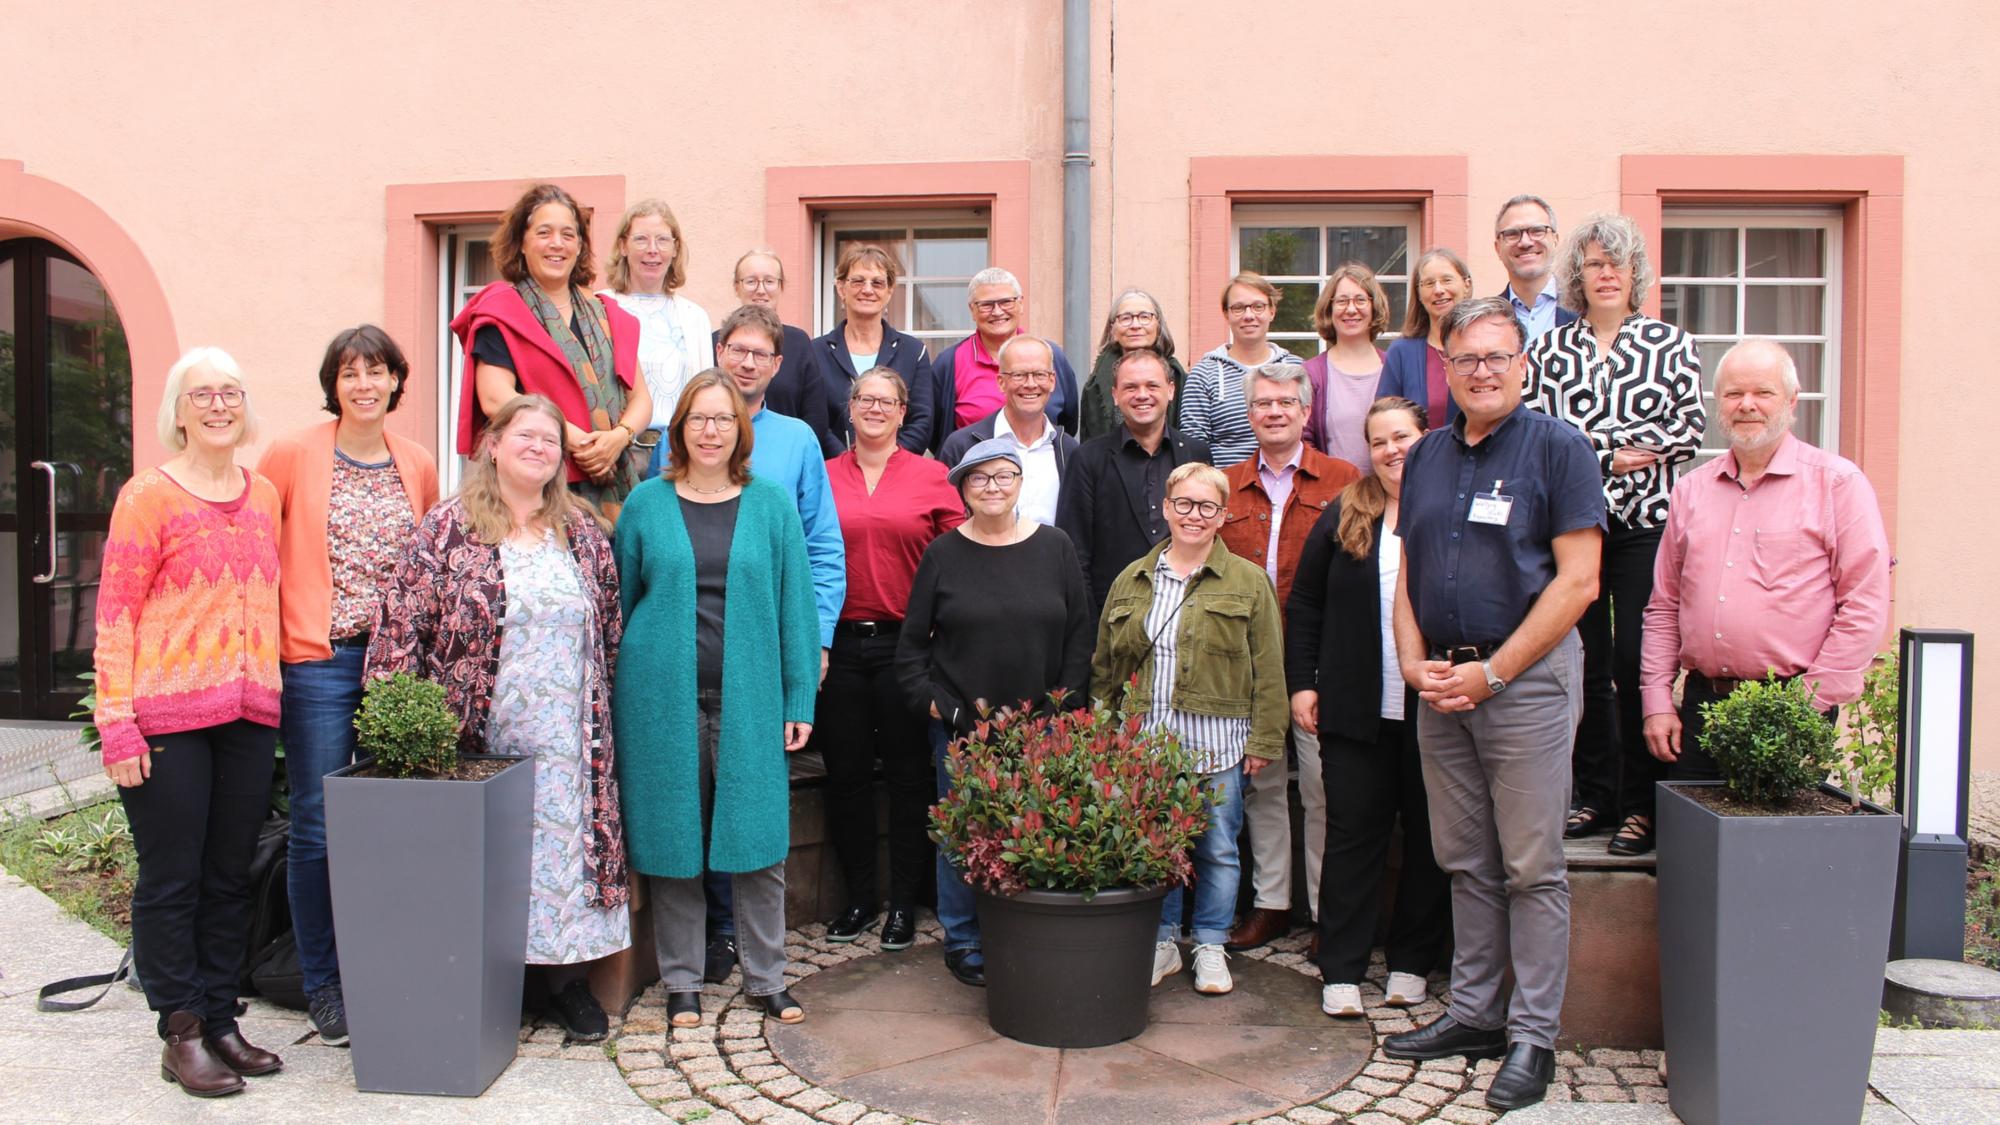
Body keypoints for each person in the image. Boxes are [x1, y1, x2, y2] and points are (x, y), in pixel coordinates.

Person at [1383, 298, 1604, 1112]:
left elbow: (1579, 582)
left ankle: (1532, 1034)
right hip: (1442, 685)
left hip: (1526, 686)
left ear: (1524, 363)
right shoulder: (1430, 455)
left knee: (1531, 866)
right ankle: (1475, 1012)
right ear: (1444, 368)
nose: (1481, 370)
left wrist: (1496, 674)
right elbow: (1406, 571)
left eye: (1496, 356)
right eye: (1466, 358)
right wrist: (1412, 661)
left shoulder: (1560, 449)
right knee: (1464, 859)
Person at [367, 395, 632, 1042]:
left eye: (550, 439)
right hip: (476, 733)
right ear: (493, 444)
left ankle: (565, 982)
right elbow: (402, 625)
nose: (539, 447)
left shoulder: (582, 531)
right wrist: (398, 718)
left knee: (558, 857)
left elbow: (612, 629)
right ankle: (487, 983)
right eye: (525, 435)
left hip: (568, 739)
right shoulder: (447, 527)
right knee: (486, 853)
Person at [95, 347, 283, 1097]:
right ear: (177, 411)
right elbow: (114, 615)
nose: (217, 405)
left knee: (229, 875)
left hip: (246, 714)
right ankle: (180, 1028)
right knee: (172, 878)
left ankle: (220, 1015)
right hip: (166, 717)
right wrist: (117, 722)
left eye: (230, 392)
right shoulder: (147, 496)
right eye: (201, 394)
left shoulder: (264, 493)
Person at [614, 372, 821, 1029]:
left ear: (740, 430)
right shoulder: (646, 504)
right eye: (698, 419)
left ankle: (766, 977)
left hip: (751, 701)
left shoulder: (770, 506)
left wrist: (799, 698)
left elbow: (796, 608)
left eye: (723, 419)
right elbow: (620, 603)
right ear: (679, 429)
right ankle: (682, 982)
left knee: (759, 841)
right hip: (660, 700)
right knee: (674, 840)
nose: (710, 430)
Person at [257, 326, 440, 1048]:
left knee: (395, 820)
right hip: (319, 660)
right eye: (350, 372)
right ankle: (322, 981)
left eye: (377, 371)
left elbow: (429, 562)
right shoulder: (294, 454)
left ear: (398, 380)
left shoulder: (416, 461)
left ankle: (387, 964)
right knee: (320, 822)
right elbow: (258, 554)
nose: (364, 383)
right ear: (333, 383)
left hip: (394, 663)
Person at [1527, 213, 1706, 857]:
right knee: (1584, 667)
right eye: (1594, 264)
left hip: (1644, 529)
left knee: (1636, 664)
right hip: (1574, 528)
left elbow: (1688, 428)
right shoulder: (1549, 350)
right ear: (1578, 276)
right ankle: (1592, 795)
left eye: (1617, 264)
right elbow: (1542, 438)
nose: (1605, 274)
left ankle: (1640, 805)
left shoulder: (1670, 344)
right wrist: (1610, 452)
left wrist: (1605, 450)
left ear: (1636, 276)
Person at [1640, 339, 1891, 779]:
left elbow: (1864, 603)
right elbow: (1665, 605)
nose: (1747, 405)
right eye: (1734, 394)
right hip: (1701, 708)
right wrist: (1657, 699)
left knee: (1777, 845)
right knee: (1695, 844)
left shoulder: (1837, 484)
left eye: (1763, 393)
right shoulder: (1691, 490)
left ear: (1791, 400)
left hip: (1794, 703)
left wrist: (1810, 704)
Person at [896, 437, 1094, 987]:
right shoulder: (943, 554)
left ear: (1020, 484)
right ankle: (963, 938)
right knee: (964, 834)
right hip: (964, 730)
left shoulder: (1054, 547)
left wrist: (1066, 707)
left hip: (1043, 725)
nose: (993, 487)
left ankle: (1027, 929)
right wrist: (939, 709)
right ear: (962, 488)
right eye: (979, 478)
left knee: (1035, 829)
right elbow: (911, 649)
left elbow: (1080, 635)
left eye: (1004, 476)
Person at [1091, 462, 1287, 998]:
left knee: (1218, 849)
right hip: (1145, 743)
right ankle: (1161, 942)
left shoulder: (1248, 582)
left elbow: (1269, 667)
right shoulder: (1133, 578)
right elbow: (1106, 668)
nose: (1193, 515)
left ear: (1223, 515)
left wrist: (1265, 739)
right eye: (1184, 504)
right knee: (1155, 848)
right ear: (1166, 508)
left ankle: (1209, 945)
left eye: (1206, 507)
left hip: (1217, 745)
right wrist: (1104, 733)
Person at [1287, 397, 1451, 1019]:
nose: (1392, 450)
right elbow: (1305, 606)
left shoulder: (1448, 509)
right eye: (1379, 441)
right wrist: (1304, 684)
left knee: (1430, 839)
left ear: (1425, 437)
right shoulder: (1346, 512)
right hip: (1356, 711)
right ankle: (1343, 967)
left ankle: (1411, 961)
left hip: (1436, 710)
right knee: (1354, 836)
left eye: (1402, 437)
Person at [699, 303, 845, 978]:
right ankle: (713, 933)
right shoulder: (688, 430)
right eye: (738, 348)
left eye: (762, 352)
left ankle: (750, 940)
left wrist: (812, 642)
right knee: (695, 795)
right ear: (720, 350)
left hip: (763, 651)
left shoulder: (797, 441)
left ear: (777, 364)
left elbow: (822, 548)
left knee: (752, 797)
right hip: (695, 650)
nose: (748, 360)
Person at [1216, 364, 1362, 954]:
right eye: (1263, 404)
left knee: (1324, 787)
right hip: (1248, 662)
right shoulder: (1227, 484)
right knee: (1263, 785)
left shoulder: (1344, 479)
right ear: (1249, 414)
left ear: (1306, 412)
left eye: (1286, 403)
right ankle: (1272, 904)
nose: (1274, 412)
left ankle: (1329, 914)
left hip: (1318, 657)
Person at [817, 369, 965, 949]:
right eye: (864, 398)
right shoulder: (822, 475)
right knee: (847, 777)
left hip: (909, 646)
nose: (874, 408)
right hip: (839, 646)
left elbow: (960, 553)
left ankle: (904, 902)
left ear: (904, 412)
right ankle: (858, 899)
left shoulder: (932, 476)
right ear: (848, 407)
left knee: (908, 778)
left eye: (887, 400)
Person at [454, 182, 651, 527]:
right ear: (522, 243)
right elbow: (495, 397)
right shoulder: (502, 311)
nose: (557, 244)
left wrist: (616, 439)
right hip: (537, 489)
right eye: (544, 233)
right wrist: (573, 439)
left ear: (579, 246)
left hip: (615, 486)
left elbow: (641, 399)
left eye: (568, 234)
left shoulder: (607, 315)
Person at [1056, 347, 1213, 613]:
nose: (1142, 395)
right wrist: (1094, 634)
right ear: (1115, 395)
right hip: (1114, 617)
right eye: (1131, 387)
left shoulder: (1196, 453)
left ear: (1171, 391)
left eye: (1152, 385)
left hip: (1188, 612)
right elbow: (1075, 552)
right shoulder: (1088, 459)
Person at [911, 267, 1079, 454]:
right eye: (986, 305)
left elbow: (1068, 423)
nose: (997, 312)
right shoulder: (950, 362)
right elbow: (935, 433)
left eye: (1006, 302)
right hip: (975, 478)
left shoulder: (1050, 355)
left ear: (1021, 304)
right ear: (972, 310)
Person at [601, 198, 710, 478]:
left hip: (676, 455)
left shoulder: (693, 316)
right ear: (623, 246)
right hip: (615, 454)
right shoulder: (599, 307)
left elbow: (703, 393)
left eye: (663, 240)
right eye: (641, 239)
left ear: (675, 249)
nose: (652, 250)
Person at [938, 335, 1081, 526]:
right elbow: (947, 522)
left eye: (1039, 374)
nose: (1030, 384)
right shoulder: (963, 446)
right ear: (1000, 382)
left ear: (1052, 381)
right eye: (1019, 375)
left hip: (1053, 556)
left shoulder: (1068, 450)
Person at [812, 243, 936, 450]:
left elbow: (922, 422)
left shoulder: (914, 352)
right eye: (858, 281)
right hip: (833, 474)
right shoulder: (815, 352)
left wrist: (887, 464)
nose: (867, 290)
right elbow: (815, 420)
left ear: (889, 292)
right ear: (841, 288)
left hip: (898, 475)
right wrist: (846, 464)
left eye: (877, 283)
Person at [721, 249, 839, 456]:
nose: (760, 290)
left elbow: (816, 417)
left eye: (769, 281)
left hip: (785, 454)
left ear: (781, 286)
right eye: (751, 281)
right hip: (724, 455)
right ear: (736, 287)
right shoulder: (719, 340)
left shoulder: (799, 342)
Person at [1181, 272, 1304, 466]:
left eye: (1258, 307)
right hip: (1225, 490)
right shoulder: (1204, 374)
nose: (1248, 316)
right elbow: (1193, 447)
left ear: (1272, 311)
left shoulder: (1296, 368)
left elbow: (1308, 435)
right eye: (1238, 308)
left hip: (1288, 487)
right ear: (1226, 314)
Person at [1301, 263, 1390, 466]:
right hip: (1334, 494)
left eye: (1360, 300)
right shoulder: (1312, 374)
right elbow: (1304, 442)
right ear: (1329, 309)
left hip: (1389, 493)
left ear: (1374, 306)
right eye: (1342, 301)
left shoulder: (1394, 368)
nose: (1351, 309)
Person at [1376, 248, 1474, 429]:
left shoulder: (1483, 347)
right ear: (1419, 294)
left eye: (1447, 280)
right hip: (1419, 456)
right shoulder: (1402, 352)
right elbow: (1385, 421)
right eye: (1429, 283)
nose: (1438, 290)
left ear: (1466, 285)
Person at [1079, 288, 1187, 441]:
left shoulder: (1178, 376)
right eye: (1125, 318)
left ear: (1158, 326)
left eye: (1144, 317)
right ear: (1112, 330)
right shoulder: (1095, 384)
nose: (1135, 325)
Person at [1491, 194, 1579, 341]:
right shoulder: (1486, 318)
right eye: (1512, 234)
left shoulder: (1586, 310)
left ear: (1555, 240)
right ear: (1497, 248)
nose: (1525, 242)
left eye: (1537, 231)